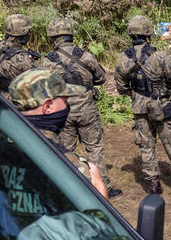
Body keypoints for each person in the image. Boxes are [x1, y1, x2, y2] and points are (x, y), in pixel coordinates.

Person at [115, 15, 171, 197]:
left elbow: (121, 87)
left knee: (146, 146)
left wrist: (137, 95)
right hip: (162, 105)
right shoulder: (159, 56)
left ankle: (153, 185)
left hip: (139, 107)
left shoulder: (123, 58)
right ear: (148, 35)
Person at [40, 17, 120, 198]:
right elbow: (100, 78)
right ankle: (103, 189)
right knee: (95, 149)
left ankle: (70, 191)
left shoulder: (47, 61)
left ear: (52, 37)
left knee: (66, 151)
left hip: (63, 112)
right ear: (70, 34)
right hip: (87, 110)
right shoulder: (85, 55)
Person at [7, 68, 108, 199]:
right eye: (65, 101)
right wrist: (95, 179)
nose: (67, 107)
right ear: (48, 106)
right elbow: (99, 215)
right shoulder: (70, 166)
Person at [0, 14, 40, 95]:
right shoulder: (25, 58)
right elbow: (37, 85)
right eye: (28, 31)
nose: (30, 34)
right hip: (16, 100)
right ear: (22, 32)